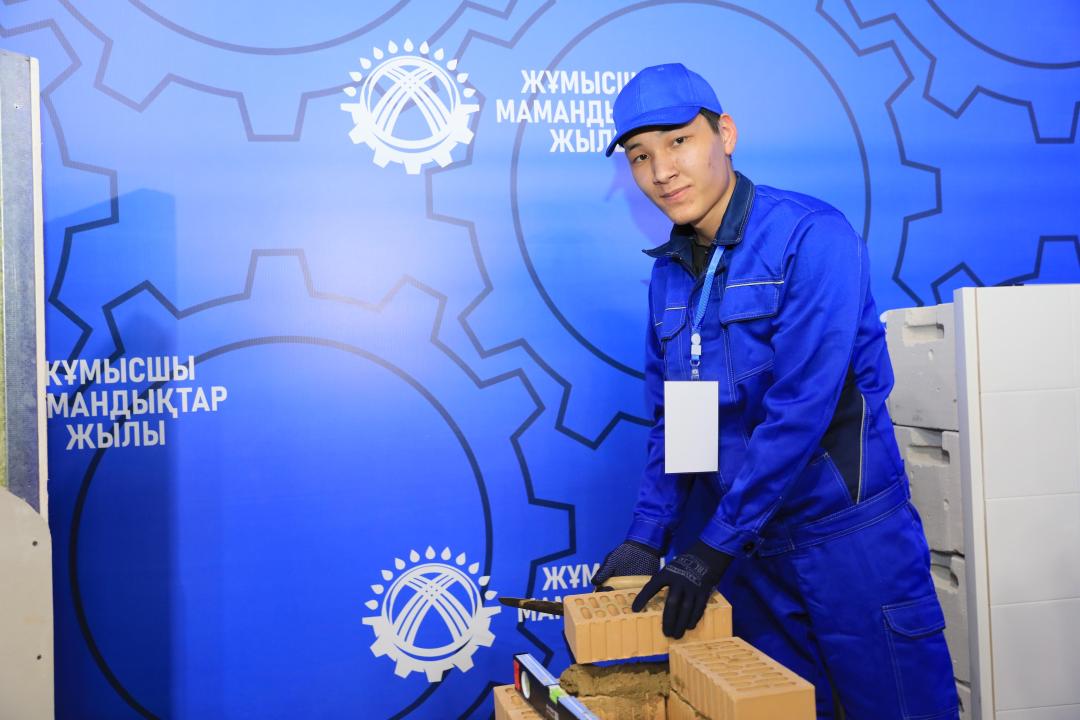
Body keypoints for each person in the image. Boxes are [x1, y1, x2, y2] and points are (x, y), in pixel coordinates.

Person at [591, 63, 959, 719]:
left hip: (846, 544)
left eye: (679, 142)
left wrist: (713, 543)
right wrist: (648, 535)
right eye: (641, 156)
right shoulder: (671, 276)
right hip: (748, 556)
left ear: (726, 135)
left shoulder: (811, 236)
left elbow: (802, 409)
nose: (662, 171)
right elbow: (683, 418)